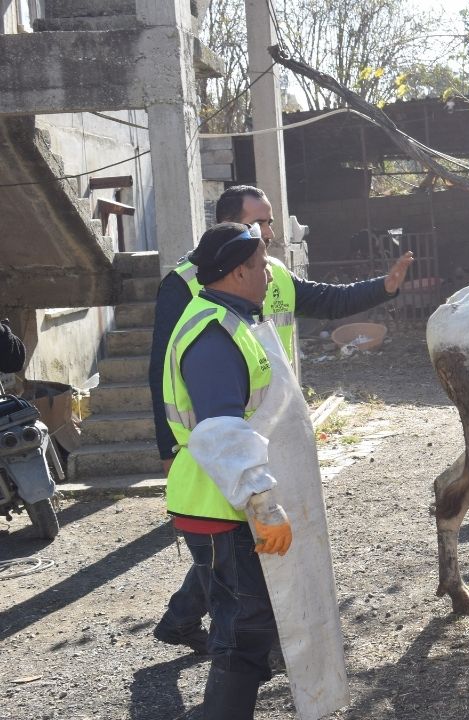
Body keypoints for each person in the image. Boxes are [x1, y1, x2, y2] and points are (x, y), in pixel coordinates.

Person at [149, 185, 412, 654]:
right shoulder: (187, 288)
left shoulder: (270, 272)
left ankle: (190, 622)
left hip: (271, 432)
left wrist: (384, 287)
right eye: (262, 224)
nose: (271, 233)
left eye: (270, 224)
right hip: (227, 441)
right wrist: (167, 447)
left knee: (237, 546)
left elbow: (326, 300)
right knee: (233, 547)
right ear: (231, 230)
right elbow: (167, 372)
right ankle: (236, 651)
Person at [161, 223, 297, 716]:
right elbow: (220, 430)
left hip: (220, 497)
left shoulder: (228, 319)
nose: (267, 274)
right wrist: (262, 502)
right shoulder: (213, 332)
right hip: (219, 500)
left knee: (246, 621)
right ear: (239, 270)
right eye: (261, 265)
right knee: (244, 628)